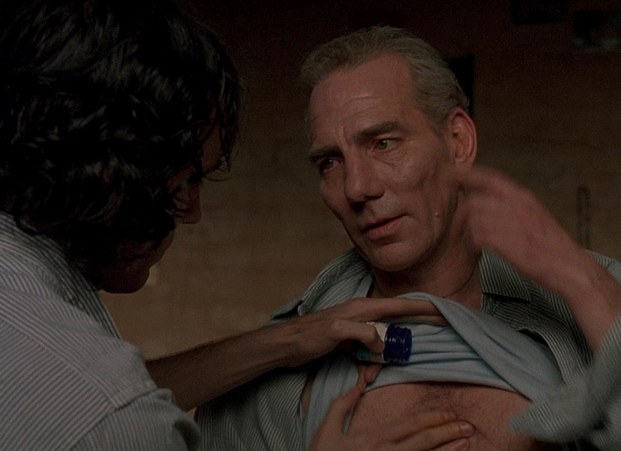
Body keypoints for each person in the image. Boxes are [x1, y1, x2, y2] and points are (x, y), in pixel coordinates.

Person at [196, 26, 621, 450]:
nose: (358, 187)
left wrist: (578, 278)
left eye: (384, 143)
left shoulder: (596, 299)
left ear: (458, 141)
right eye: (330, 163)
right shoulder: (286, 364)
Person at [0, 2, 475, 449]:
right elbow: (109, 410)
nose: (193, 212)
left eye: (384, 143)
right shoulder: (119, 418)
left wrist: (285, 341)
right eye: (187, 180)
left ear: (458, 141)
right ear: (111, 176)